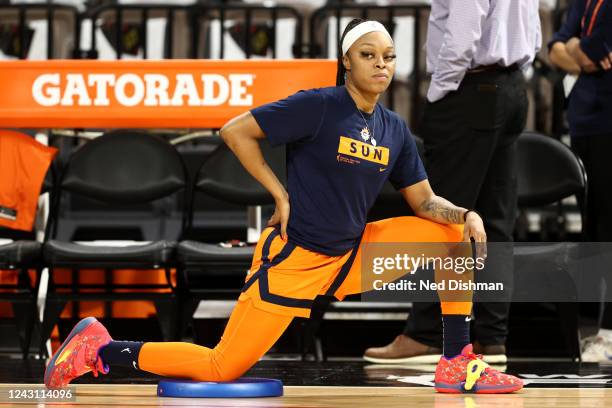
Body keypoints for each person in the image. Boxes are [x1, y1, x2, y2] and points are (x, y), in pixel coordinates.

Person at [43, 19, 522, 394]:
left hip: (353, 255)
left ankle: (457, 361)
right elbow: (235, 131)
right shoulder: (317, 105)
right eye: (368, 55)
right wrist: (279, 193)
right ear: (346, 62)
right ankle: (103, 349)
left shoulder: (394, 128)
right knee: (222, 365)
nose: (381, 65)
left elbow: (424, 202)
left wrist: (466, 214)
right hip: (296, 259)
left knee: (454, 235)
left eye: (389, 57)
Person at [364, 0, 541, 365]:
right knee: (495, 222)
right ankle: (493, 340)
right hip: (511, 87)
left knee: (442, 220)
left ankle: (428, 334)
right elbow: (533, 35)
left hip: (470, 90)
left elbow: (463, 33)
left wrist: (440, 91)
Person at [548, 0, 612, 362]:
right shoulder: (581, 1)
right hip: (585, 121)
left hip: (608, 121)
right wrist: (573, 49)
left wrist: (574, 48)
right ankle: (592, 328)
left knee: (608, 226)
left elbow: (591, 49)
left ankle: (608, 331)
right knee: (592, 228)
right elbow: (556, 48)